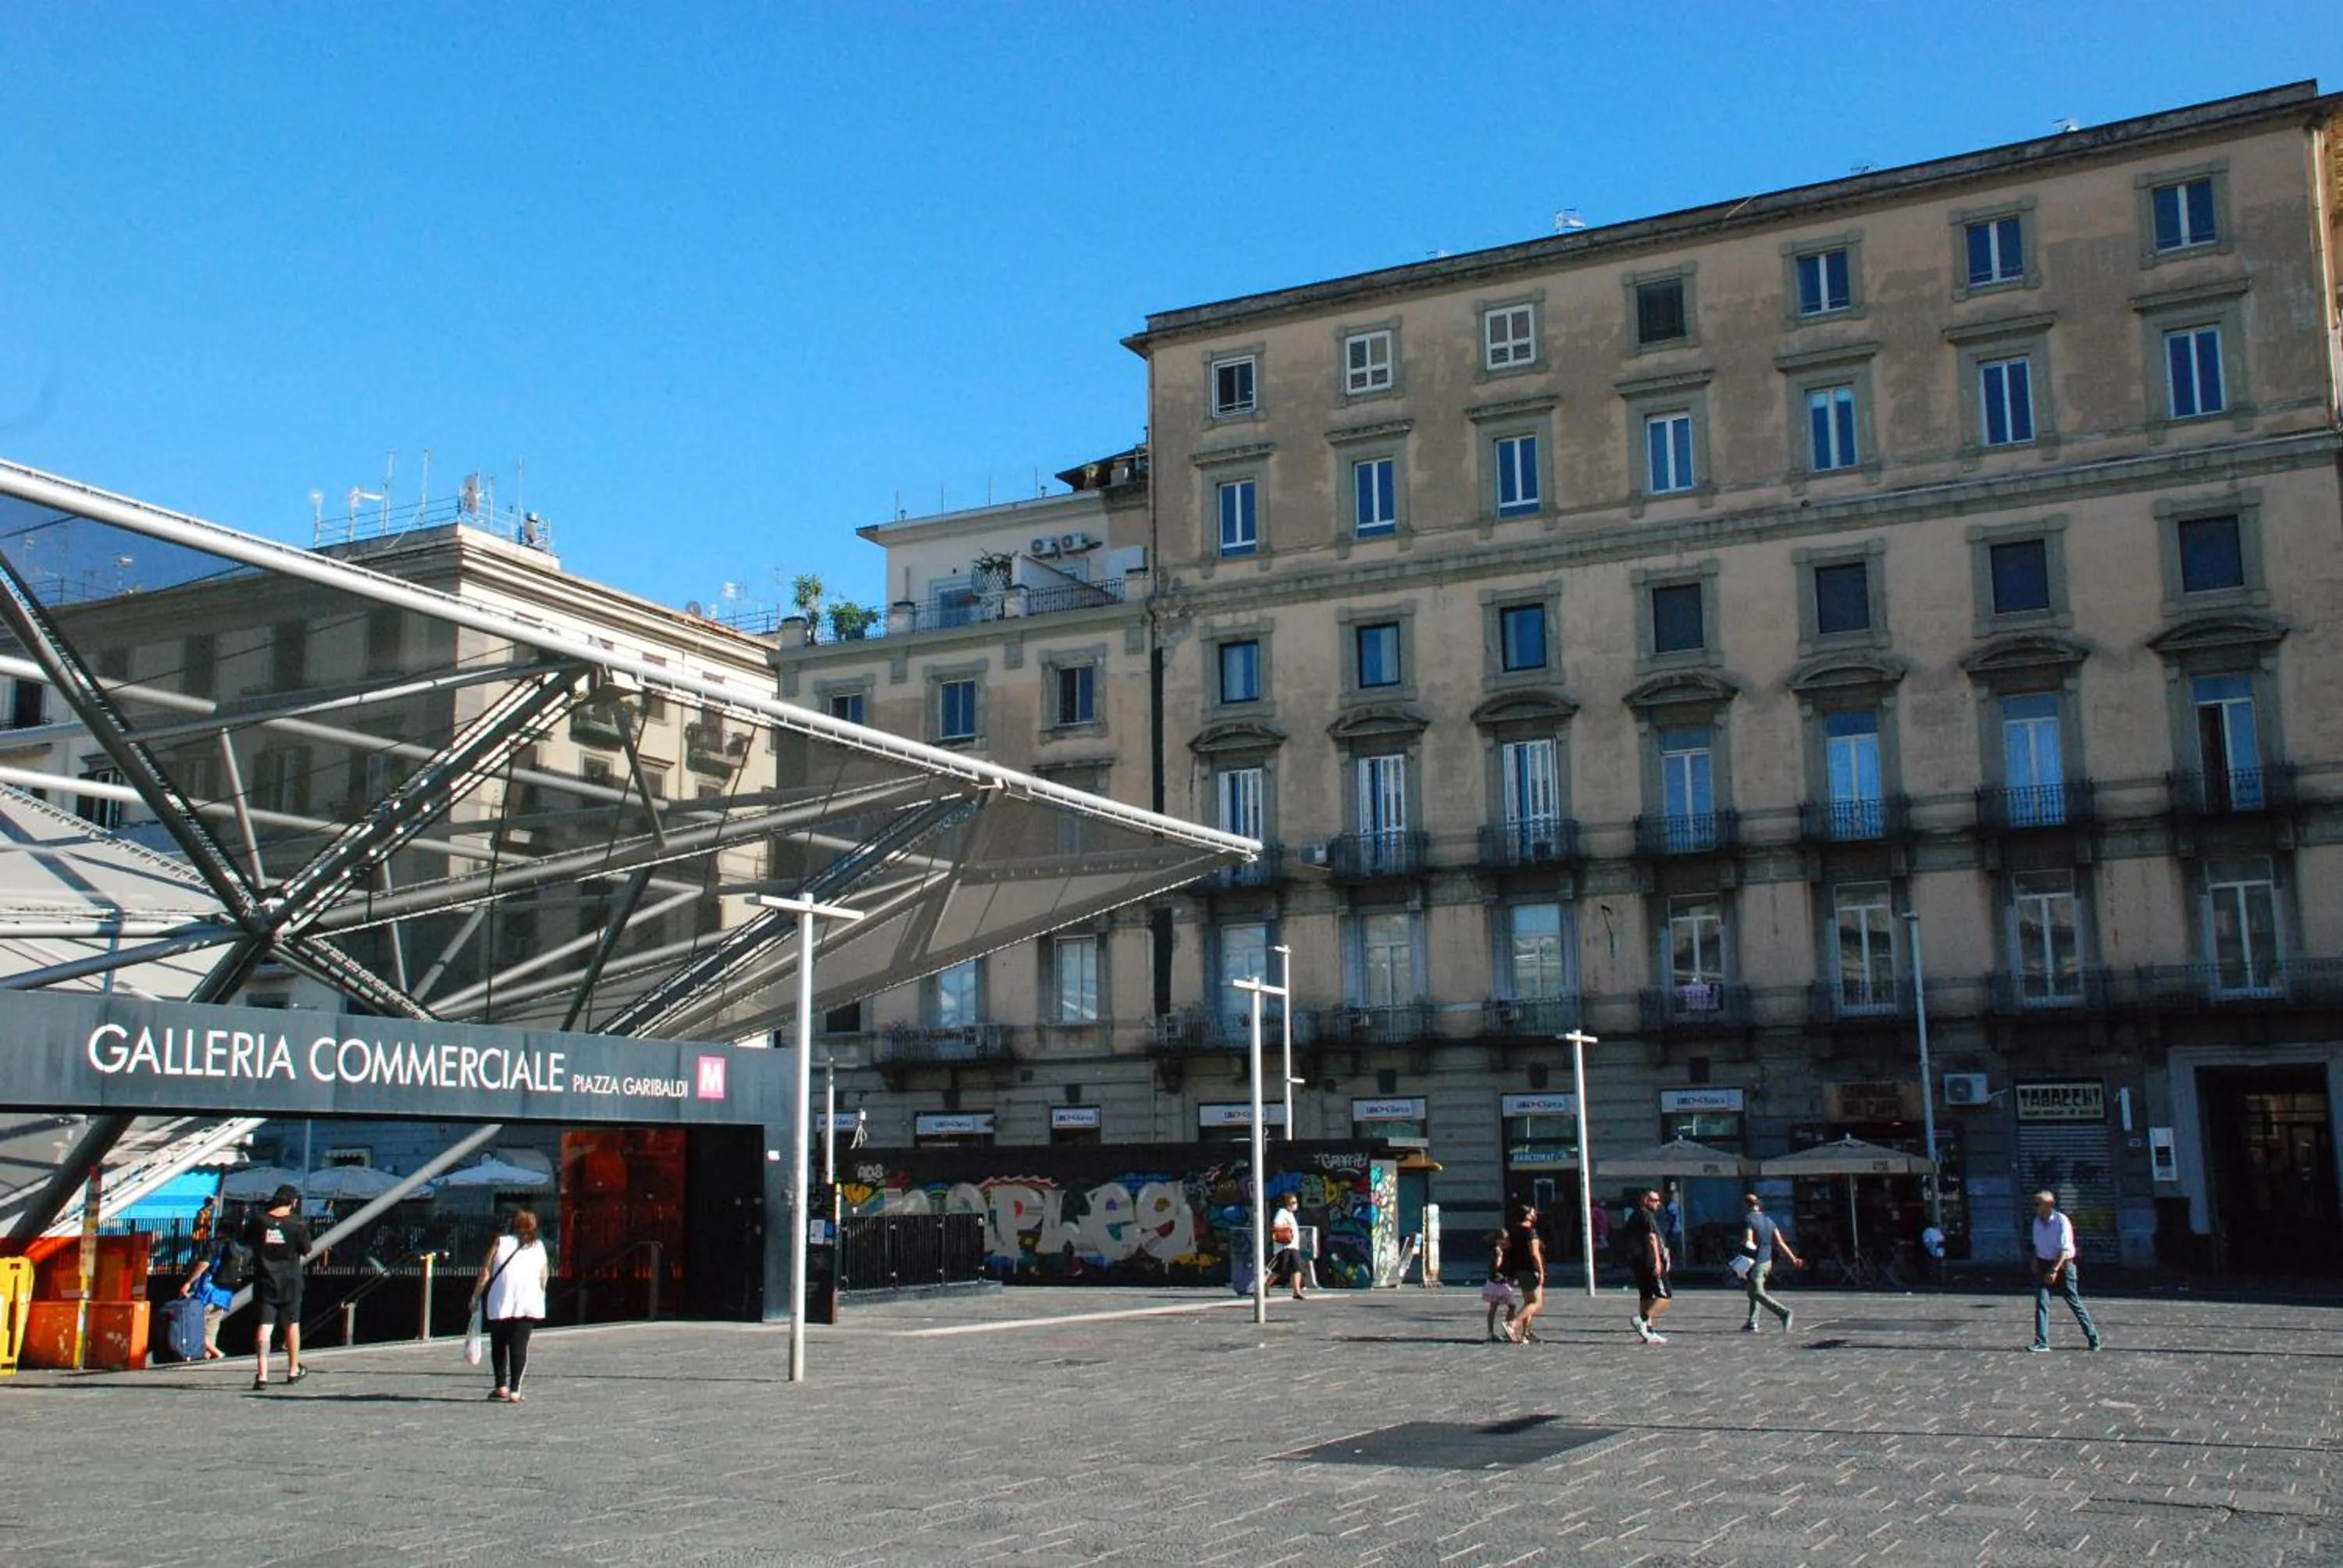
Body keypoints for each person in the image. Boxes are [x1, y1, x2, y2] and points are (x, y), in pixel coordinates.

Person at [475, 1207, 552, 1401]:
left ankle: (500, 1385)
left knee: (499, 1343)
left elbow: (485, 1272)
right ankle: (515, 1390)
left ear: (513, 1223)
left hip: (501, 1298)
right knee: (520, 1345)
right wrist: (541, 1293)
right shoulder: (539, 1246)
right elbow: (544, 1275)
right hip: (529, 1300)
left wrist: (475, 1296)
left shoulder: (500, 1242)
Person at [244, 1184, 311, 1389]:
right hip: (291, 1279)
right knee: (292, 1324)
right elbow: (306, 1250)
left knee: (265, 1325)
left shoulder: (260, 1221)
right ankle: (292, 1370)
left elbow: (247, 1241)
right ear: (293, 1202)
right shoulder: (298, 1223)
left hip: (265, 1279)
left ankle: (262, 1374)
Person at [2028, 1190, 2102, 1352]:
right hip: (2043, 1264)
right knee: (2042, 1303)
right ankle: (2041, 1342)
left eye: (2037, 1204)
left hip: (2063, 1265)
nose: (2035, 1207)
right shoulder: (2037, 1222)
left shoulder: (2061, 1221)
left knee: (2074, 1302)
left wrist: (2054, 1270)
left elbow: (2065, 1249)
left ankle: (2093, 1338)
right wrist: (2035, 1259)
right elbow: (2037, 1244)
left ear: (2049, 1205)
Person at [1738, 1192, 1803, 1334]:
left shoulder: (1749, 1219)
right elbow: (1780, 1242)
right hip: (1768, 1261)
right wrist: (1793, 1258)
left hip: (1756, 1261)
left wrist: (1743, 1249)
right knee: (1752, 1290)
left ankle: (1784, 1313)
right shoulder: (1769, 1220)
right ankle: (1752, 1322)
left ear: (1746, 1205)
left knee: (1758, 1292)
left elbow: (1748, 1240)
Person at [177, 1228, 248, 1360]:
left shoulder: (215, 1244)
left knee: (193, 1326)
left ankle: (217, 1353)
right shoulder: (239, 1246)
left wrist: (188, 1282)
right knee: (211, 1330)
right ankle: (207, 1358)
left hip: (207, 1292)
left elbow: (204, 1264)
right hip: (224, 1295)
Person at [1624, 1188, 1672, 1343]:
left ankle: (1648, 1331)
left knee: (1646, 1295)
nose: (1658, 1204)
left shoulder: (1635, 1216)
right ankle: (1642, 1320)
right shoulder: (1646, 1215)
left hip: (1638, 1262)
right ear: (1645, 1200)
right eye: (1655, 1200)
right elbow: (1652, 1238)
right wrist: (1658, 1261)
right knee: (1665, 1296)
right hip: (1649, 1261)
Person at [1503, 1201, 1546, 1342]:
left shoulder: (1514, 1231)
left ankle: (1526, 1333)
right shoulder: (1530, 1232)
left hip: (1519, 1269)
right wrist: (1540, 1270)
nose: (1535, 1215)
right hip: (1529, 1269)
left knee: (1528, 1302)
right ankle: (1512, 1324)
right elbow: (1535, 1254)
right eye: (1533, 1212)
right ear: (1527, 1216)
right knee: (1536, 1303)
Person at [1481, 1231, 1521, 1342]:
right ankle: (1504, 1329)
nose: (1507, 1241)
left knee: (1496, 1308)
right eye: (1505, 1239)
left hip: (1495, 1283)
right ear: (1498, 1239)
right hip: (1498, 1284)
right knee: (1510, 1306)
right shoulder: (1498, 1251)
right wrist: (1500, 1257)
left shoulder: (1499, 1250)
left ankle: (1492, 1332)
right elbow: (1496, 1268)